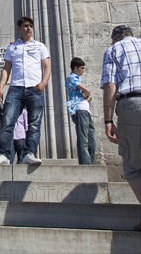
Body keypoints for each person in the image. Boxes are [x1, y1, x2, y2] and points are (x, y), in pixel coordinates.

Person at [0, 16, 51, 166]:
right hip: (16, 88)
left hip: (34, 88)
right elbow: (6, 69)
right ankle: (4, 154)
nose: (28, 28)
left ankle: (29, 153)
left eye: (30, 26)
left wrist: (43, 83)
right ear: (19, 29)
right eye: (25, 26)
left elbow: (47, 66)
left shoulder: (40, 46)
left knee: (34, 123)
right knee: (7, 121)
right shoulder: (12, 48)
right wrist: (0, 87)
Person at [101, 25, 141, 232]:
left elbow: (110, 86)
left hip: (132, 105)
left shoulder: (114, 50)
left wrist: (108, 120)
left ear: (115, 38)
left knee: (134, 165)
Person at [65, 57, 96, 165]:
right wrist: (87, 94)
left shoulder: (76, 78)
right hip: (79, 109)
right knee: (84, 140)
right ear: (75, 68)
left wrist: (86, 96)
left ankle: (91, 164)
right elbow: (87, 91)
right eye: (82, 68)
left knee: (91, 140)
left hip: (85, 109)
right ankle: (86, 165)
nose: (83, 71)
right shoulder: (72, 78)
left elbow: (85, 94)